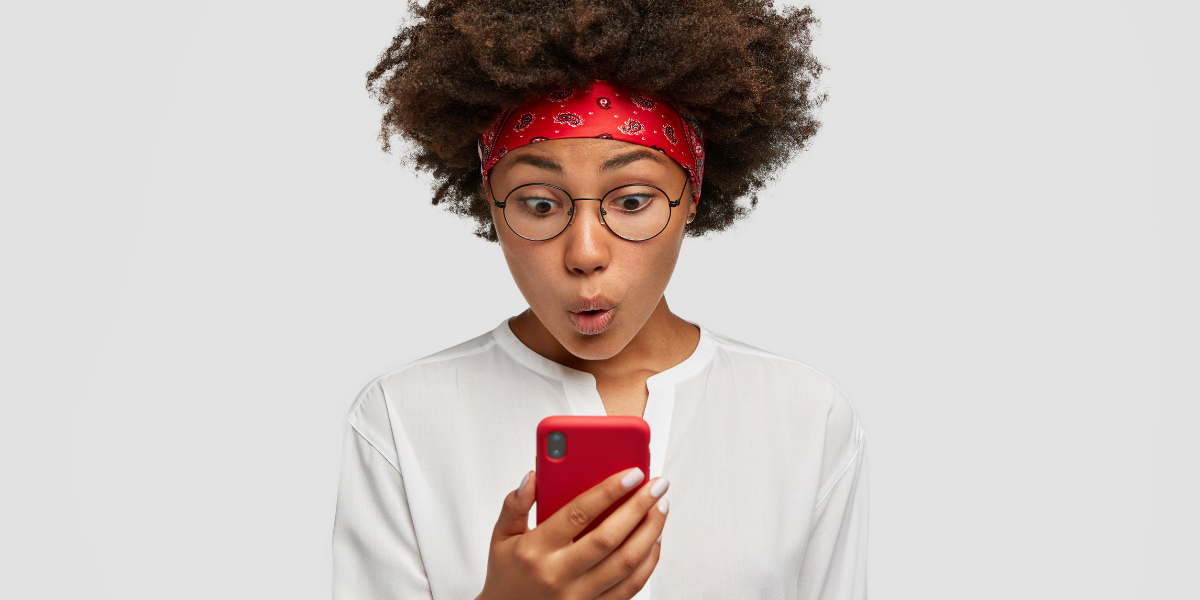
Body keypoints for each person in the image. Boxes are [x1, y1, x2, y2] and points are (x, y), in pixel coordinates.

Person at [332, 1, 868, 598]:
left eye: (633, 200)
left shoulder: (804, 415)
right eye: (539, 204)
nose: (585, 252)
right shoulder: (401, 418)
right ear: (490, 201)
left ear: (690, 195)